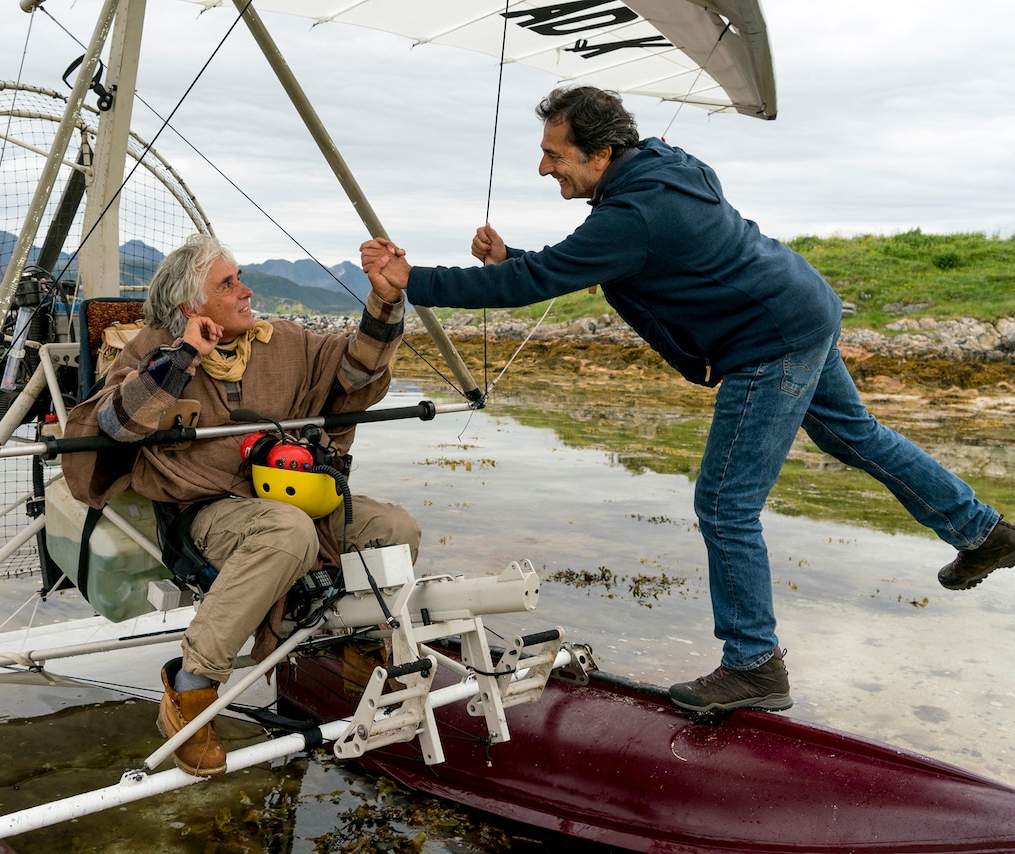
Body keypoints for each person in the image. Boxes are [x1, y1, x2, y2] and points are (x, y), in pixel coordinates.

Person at [359, 85, 1015, 715]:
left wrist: (410, 279)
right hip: (801, 305)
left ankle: (754, 664)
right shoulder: (663, 168)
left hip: (771, 339)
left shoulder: (634, 212)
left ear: (601, 154)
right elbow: (602, 261)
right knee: (852, 437)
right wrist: (509, 256)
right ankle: (984, 532)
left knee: (726, 504)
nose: (542, 166)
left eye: (555, 154)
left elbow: (544, 277)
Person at [64, 233, 420, 776]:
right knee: (287, 532)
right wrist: (184, 357)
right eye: (228, 283)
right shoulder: (150, 350)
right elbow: (115, 424)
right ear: (190, 305)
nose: (245, 290)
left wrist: (385, 302)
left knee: (393, 527)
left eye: (240, 277)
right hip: (203, 513)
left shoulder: (284, 342)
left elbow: (356, 371)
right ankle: (190, 689)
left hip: (292, 499)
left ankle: (358, 651)